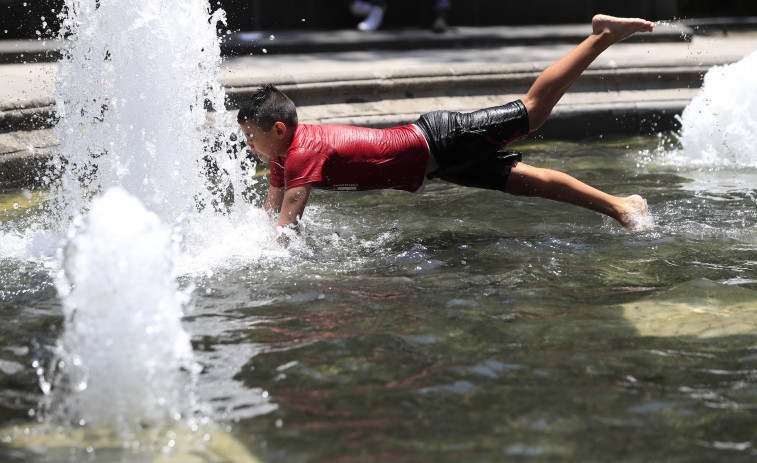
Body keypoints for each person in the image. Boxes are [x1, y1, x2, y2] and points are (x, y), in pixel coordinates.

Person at [237, 15, 654, 246]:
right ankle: (624, 207)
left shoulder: (301, 153)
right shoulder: (282, 160)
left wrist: (264, 265)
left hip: (441, 139)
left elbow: (286, 229)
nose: (248, 146)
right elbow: (270, 216)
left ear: (278, 129)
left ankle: (600, 37)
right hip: (435, 164)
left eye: (251, 136)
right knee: (525, 182)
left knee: (533, 110)